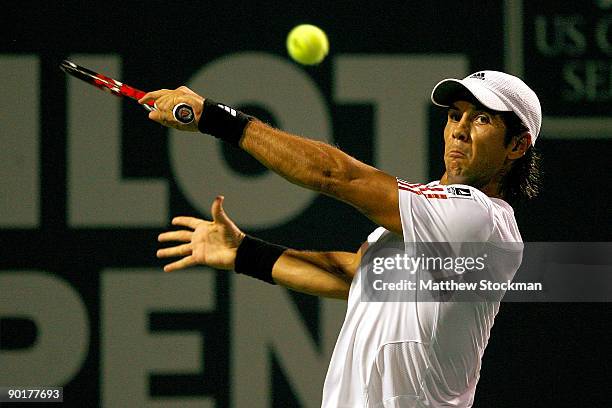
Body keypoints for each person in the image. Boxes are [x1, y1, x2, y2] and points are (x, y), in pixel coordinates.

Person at [141, 70, 542, 408]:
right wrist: (245, 253)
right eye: (456, 116)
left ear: (517, 145)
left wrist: (216, 118)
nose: (460, 131)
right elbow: (353, 274)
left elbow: (337, 176)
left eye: (482, 120)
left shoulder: (479, 219)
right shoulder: (431, 217)